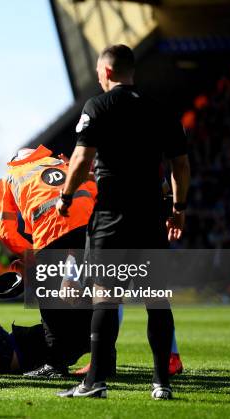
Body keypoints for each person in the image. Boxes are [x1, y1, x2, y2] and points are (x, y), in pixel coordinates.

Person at [55, 44, 190, 399]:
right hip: (150, 215)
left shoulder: (98, 106)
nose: (99, 77)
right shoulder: (158, 109)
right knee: (156, 300)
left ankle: (94, 382)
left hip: (111, 216)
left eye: (99, 72)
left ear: (108, 72)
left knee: (104, 298)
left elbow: (82, 157)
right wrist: (179, 207)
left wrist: (65, 197)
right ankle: (161, 382)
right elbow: (180, 164)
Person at [0, 145, 96, 378]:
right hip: (90, 226)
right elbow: (93, 189)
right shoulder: (60, 162)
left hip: (52, 230)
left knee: (50, 302)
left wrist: (29, 255)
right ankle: (105, 358)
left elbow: (6, 231)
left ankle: (55, 364)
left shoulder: (9, 178)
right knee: (92, 296)